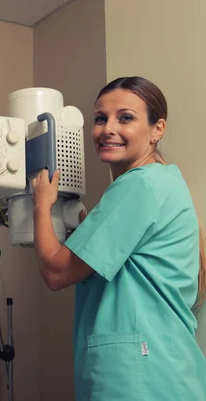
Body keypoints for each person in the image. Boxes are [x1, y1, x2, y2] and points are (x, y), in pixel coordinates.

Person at [31, 76, 206, 400]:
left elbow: (56, 272)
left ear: (158, 129)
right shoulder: (163, 182)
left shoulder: (139, 185)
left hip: (140, 377)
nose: (108, 128)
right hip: (166, 374)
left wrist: (41, 206)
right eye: (101, 118)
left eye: (125, 117)